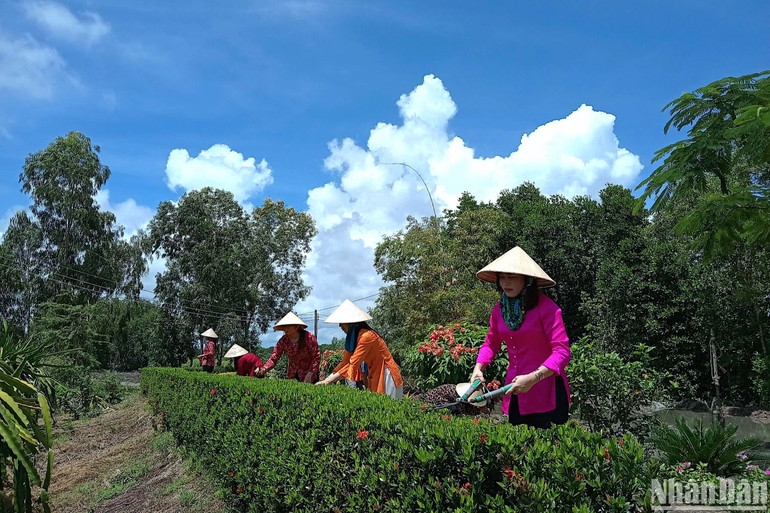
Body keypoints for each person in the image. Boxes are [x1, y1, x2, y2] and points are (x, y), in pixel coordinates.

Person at [470, 246, 571, 429]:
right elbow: (491, 343)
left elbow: (562, 352)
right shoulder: (499, 311)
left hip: (547, 390)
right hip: (515, 389)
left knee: (547, 450)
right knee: (518, 451)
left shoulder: (547, 309)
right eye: (502, 277)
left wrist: (534, 377)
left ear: (527, 280)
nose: (505, 283)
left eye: (512, 277)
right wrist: (478, 368)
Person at [315, 299, 403, 399]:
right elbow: (345, 362)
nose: (340, 325)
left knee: (389, 410)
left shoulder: (366, 336)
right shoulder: (354, 339)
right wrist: (326, 380)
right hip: (375, 374)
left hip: (387, 375)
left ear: (352, 322)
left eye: (342, 322)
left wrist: (329, 381)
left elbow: (353, 363)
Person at [256, 312, 321, 382]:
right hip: (292, 375)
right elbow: (274, 357)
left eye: (288, 326)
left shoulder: (308, 337)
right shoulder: (283, 341)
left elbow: (316, 357)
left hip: (309, 375)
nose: (285, 329)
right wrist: (264, 369)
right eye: (284, 326)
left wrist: (310, 374)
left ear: (296, 327)